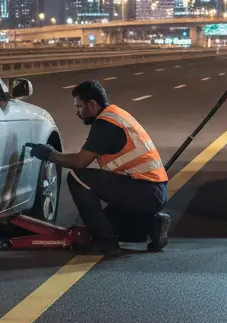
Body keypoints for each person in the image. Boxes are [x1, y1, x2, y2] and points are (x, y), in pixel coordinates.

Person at [27, 80, 171, 256]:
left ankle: (105, 243)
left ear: (92, 104)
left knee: (77, 177)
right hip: (150, 190)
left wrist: (50, 154)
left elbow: (80, 162)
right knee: (107, 224)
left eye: (79, 107)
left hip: (144, 191)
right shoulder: (115, 115)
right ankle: (153, 225)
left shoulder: (105, 123)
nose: (77, 113)